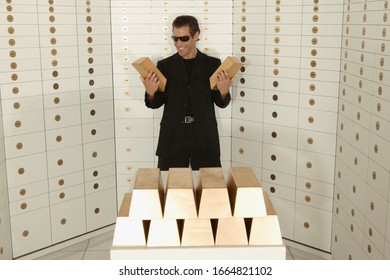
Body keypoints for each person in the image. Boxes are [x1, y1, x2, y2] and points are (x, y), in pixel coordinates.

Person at [141, 15, 233, 171]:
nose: (178, 44)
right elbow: (156, 103)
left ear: (196, 35)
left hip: (204, 136)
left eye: (183, 38)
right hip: (172, 136)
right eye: (175, 39)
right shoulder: (164, 66)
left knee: (211, 189)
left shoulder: (213, 64)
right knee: (170, 190)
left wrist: (224, 92)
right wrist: (151, 93)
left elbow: (220, 102)